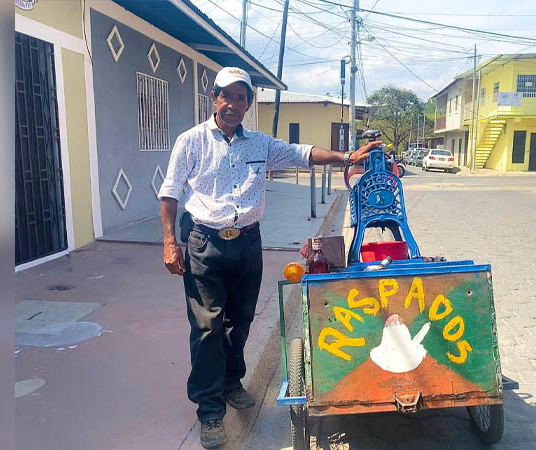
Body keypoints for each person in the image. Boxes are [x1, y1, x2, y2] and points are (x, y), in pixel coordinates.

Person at [157, 67, 380, 449]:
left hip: (246, 242)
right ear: (214, 98)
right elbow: (170, 192)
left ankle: (231, 383)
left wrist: (347, 157)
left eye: (241, 98)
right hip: (203, 242)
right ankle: (210, 411)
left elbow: (303, 154)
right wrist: (168, 243)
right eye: (226, 95)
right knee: (208, 327)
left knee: (239, 320)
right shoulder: (191, 141)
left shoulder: (260, 143)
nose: (233, 104)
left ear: (248, 104)